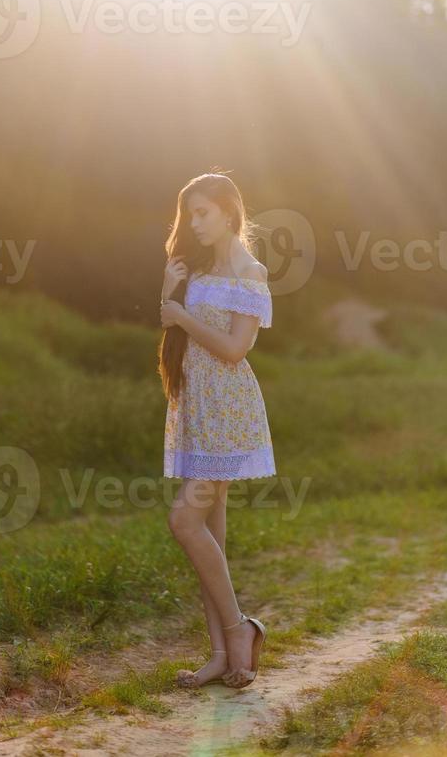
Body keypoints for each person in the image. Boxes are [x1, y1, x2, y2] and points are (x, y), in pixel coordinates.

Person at [157, 171, 276, 689]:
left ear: (229, 210)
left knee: (185, 520)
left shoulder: (251, 272)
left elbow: (233, 349)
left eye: (202, 212)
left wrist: (180, 316)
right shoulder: (201, 266)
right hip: (197, 408)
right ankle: (222, 655)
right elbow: (174, 324)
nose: (194, 223)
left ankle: (240, 629)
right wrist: (170, 294)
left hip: (229, 412)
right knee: (213, 536)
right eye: (189, 215)